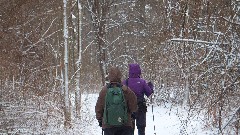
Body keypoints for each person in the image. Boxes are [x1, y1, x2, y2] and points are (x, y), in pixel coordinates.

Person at [95, 67, 137, 135]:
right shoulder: (126, 90)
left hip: (108, 126)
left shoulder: (104, 91)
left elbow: (99, 107)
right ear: (120, 76)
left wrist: (100, 120)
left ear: (109, 77)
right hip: (125, 124)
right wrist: (133, 115)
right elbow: (133, 106)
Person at [123, 63, 154, 135]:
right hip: (140, 107)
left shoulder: (125, 82)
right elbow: (149, 93)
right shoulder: (142, 82)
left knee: (130, 129)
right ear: (139, 71)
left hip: (129, 108)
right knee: (141, 128)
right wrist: (151, 87)